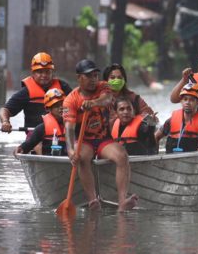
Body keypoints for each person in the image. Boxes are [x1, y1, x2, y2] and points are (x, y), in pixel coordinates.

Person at [63, 59, 138, 212]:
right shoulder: (71, 100)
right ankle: (92, 200)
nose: (93, 80)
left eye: (95, 75)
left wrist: (94, 103)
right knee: (82, 157)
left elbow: (107, 99)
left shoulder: (103, 86)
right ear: (79, 78)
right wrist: (70, 151)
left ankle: (122, 201)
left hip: (104, 139)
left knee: (122, 156)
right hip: (84, 140)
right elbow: (69, 128)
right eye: (89, 76)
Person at [0, 52, 72, 133]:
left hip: (60, 133)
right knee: (38, 146)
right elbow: (5, 110)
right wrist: (5, 122)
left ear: (52, 72)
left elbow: (76, 104)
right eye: (40, 72)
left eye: (47, 72)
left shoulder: (63, 87)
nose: (44, 75)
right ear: (33, 73)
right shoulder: (26, 92)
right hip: (35, 135)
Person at [155, 84, 198, 157]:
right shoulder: (172, 120)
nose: (187, 102)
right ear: (181, 101)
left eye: (191, 100)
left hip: (192, 159)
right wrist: (153, 153)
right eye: (185, 99)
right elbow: (156, 137)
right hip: (170, 159)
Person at [13, 88, 67, 157]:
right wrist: (20, 149)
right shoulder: (41, 128)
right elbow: (28, 145)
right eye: (56, 106)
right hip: (48, 162)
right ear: (48, 109)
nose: (61, 108)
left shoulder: (74, 125)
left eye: (63, 105)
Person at [102, 63, 154, 129]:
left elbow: (149, 115)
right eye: (112, 78)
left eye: (119, 77)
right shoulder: (99, 99)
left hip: (130, 134)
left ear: (124, 80)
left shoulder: (134, 98)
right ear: (106, 81)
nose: (116, 80)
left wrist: (146, 118)